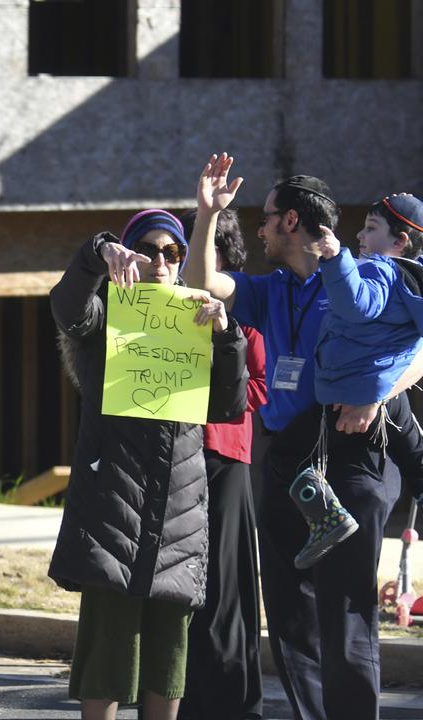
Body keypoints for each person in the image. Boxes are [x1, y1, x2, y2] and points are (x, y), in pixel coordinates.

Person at [184, 154, 423, 719]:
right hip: (288, 461)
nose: (260, 228)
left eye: (266, 217)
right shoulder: (271, 289)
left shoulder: (362, 275)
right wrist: (205, 216)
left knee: (344, 619)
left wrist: (379, 391)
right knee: (291, 618)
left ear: (291, 221)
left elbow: (416, 347)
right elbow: (202, 283)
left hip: (354, 453)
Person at [49, 208, 247, 720]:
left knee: (167, 659)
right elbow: (66, 308)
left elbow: (226, 406)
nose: (160, 260)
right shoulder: (105, 314)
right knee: (107, 657)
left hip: (178, 510)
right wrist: (98, 252)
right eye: (149, 249)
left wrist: (226, 336)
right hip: (113, 504)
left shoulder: (198, 314)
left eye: (172, 252)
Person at [288, 194, 423, 568]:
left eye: (371, 228)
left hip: (361, 390)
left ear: (401, 242)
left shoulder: (382, 269)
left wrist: (335, 259)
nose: (360, 235)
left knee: (304, 458)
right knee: (412, 452)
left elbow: (356, 304)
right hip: (376, 393)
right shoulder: (413, 282)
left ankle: (329, 521)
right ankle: (329, 521)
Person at [175, 207, 266, 720]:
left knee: (224, 587)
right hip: (175, 457)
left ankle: (231, 702)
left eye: (196, 253)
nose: (186, 264)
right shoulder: (165, 307)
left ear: (225, 258)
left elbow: (259, 387)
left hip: (224, 456)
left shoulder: (249, 306)